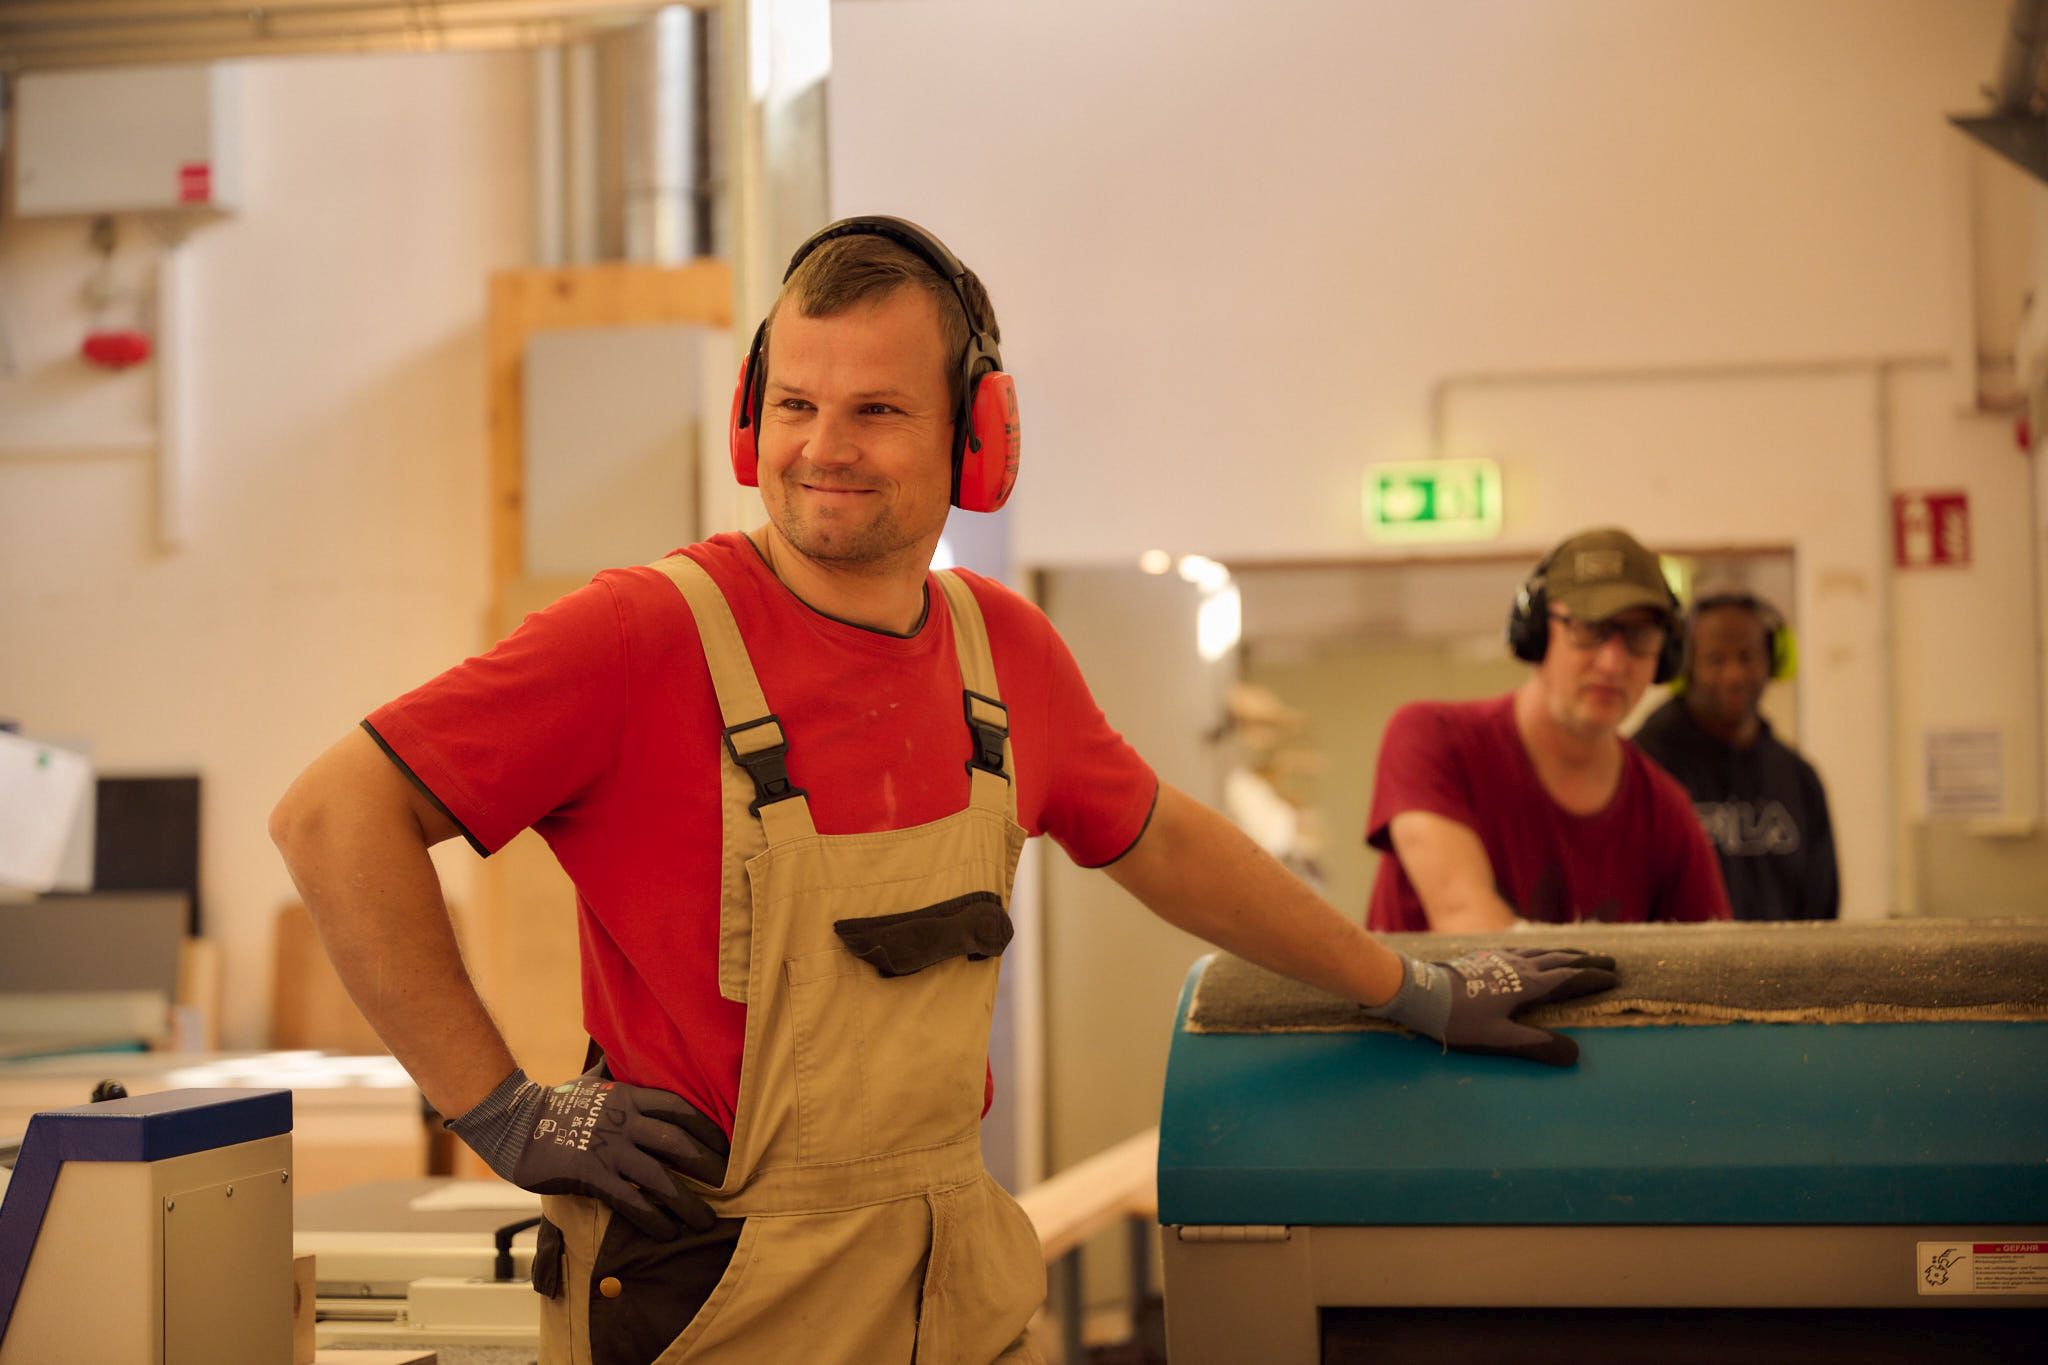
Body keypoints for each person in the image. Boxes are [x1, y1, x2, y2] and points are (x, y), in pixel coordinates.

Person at [270, 216, 1617, 1365]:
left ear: (977, 436)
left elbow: (1165, 843)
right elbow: (334, 817)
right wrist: (499, 1106)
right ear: (748, 417)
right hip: (712, 1288)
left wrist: (1407, 987)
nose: (823, 447)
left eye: (876, 410)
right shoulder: (642, 635)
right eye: (794, 406)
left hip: (945, 1266)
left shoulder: (1000, 652)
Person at [1365, 527, 1733, 932]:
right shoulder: (1430, 738)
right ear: (1537, 631)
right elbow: (1464, 920)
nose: (1613, 663)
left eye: (1640, 634)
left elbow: (1713, 962)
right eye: (1589, 627)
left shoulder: (1666, 813)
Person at [1632, 589, 1839, 921]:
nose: (1734, 675)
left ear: (1772, 661)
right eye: (1716, 659)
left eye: (1747, 656)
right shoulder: (1643, 768)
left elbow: (1822, 909)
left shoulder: (1798, 777)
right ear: (1686, 667)